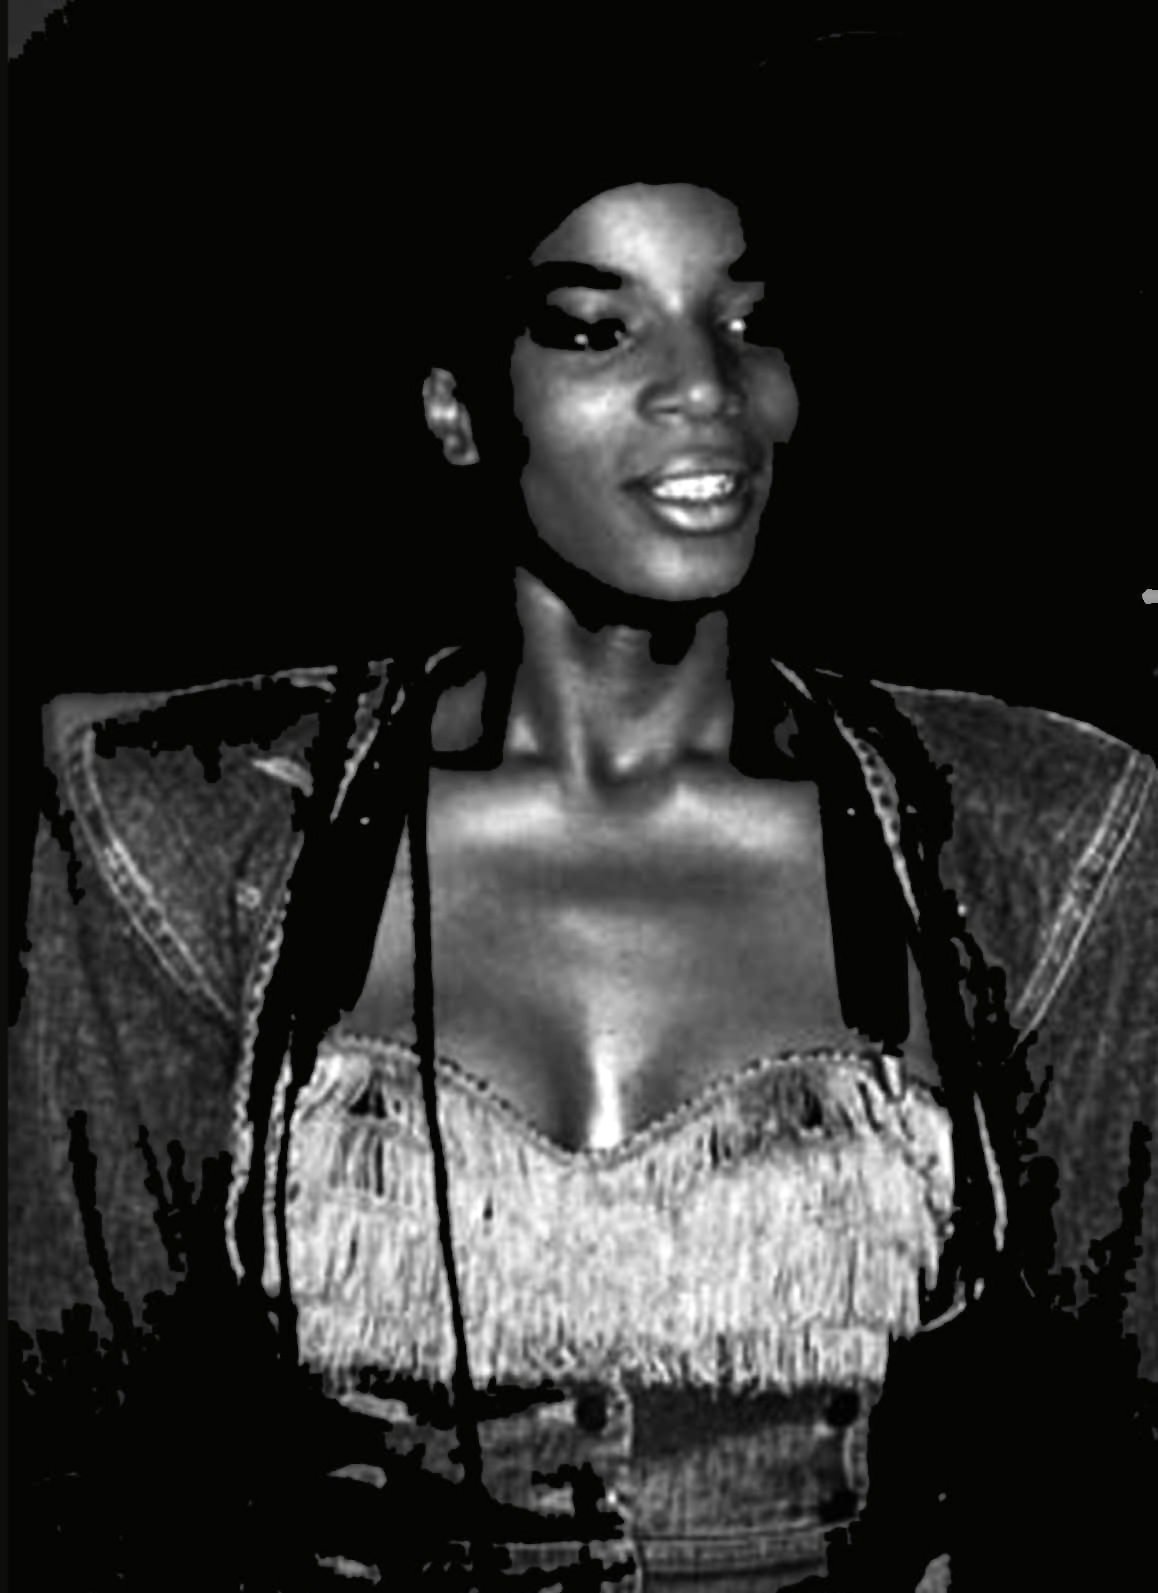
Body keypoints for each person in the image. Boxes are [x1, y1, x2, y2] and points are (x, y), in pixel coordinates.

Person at [10, 123, 1157, 1590]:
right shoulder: (200, 840)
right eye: (595, 328)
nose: (706, 387)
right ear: (457, 412)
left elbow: (1115, 1462)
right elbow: (77, 1461)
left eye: (744, 321)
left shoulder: (1033, 835)